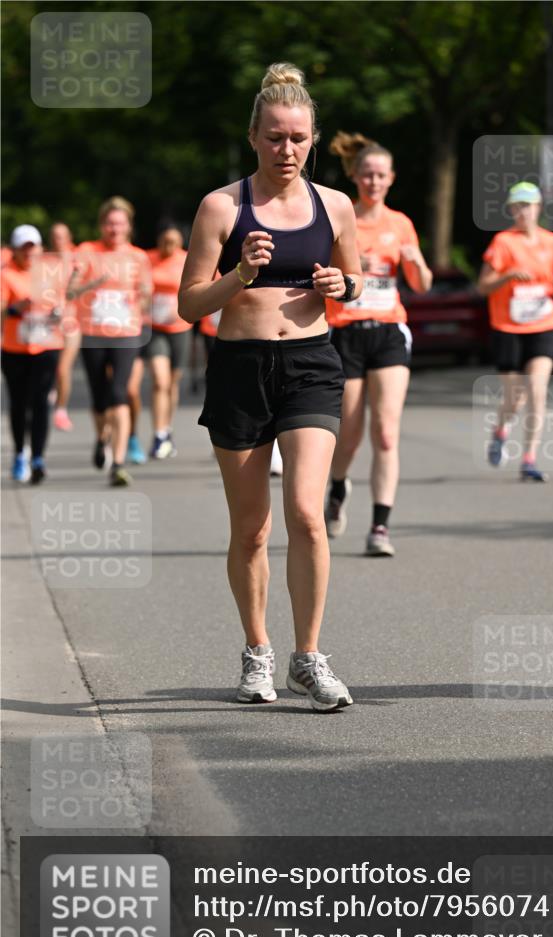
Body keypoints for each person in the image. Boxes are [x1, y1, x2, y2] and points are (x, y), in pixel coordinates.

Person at [178, 62, 362, 711]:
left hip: (311, 366)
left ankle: (308, 658)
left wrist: (345, 288)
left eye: (299, 138)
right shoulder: (222, 207)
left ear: (313, 140)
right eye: (276, 137)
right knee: (251, 529)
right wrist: (240, 274)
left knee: (307, 516)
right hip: (240, 369)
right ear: (254, 135)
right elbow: (189, 305)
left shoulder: (335, 205)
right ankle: (256, 653)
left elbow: (354, 279)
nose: (287, 149)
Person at [324, 132, 433, 556]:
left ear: (391, 180)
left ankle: (380, 527)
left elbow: (422, 285)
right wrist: (354, 270)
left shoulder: (401, 223)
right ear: (356, 176)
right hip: (347, 332)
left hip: (388, 331)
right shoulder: (340, 218)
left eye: (381, 176)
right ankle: (337, 486)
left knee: (386, 433)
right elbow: (322, 281)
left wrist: (415, 261)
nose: (373, 182)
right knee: (348, 435)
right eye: (367, 174)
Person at [477, 181, 553, 482]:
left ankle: (529, 459)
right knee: (515, 397)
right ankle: (501, 430)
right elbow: (482, 286)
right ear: (511, 210)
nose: (522, 212)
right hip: (508, 327)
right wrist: (507, 276)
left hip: (543, 324)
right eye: (517, 207)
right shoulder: (503, 242)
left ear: (538, 208)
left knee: (537, 391)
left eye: (527, 206)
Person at [67, 197, 152, 487]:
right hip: (92, 333)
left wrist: (139, 297)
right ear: (102, 225)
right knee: (100, 398)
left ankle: (117, 462)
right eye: (109, 223)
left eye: (120, 223)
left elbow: (146, 294)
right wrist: (94, 283)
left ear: (128, 225)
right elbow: (70, 291)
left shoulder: (138, 257)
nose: (114, 228)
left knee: (119, 393)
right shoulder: (87, 251)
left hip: (126, 334)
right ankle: (101, 436)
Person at [1, 225, 64, 483]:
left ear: (40, 248)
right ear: (14, 249)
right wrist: (17, 307)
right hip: (15, 348)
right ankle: (20, 453)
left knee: (40, 402)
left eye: (33, 247)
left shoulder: (51, 272)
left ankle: (38, 457)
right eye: (24, 248)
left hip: (47, 345)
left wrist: (57, 312)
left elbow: (62, 304)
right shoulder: (6, 275)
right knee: (19, 403)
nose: (29, 253)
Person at [127, 226, 191, 461]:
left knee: (172, 384)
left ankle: (166, 428)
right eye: (165, 240)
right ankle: (158, 434)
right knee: (160, 380)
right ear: (159, 239)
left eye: (173, 241)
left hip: (180, 328)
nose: (169, 246)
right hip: (154, 329)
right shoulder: (148, 259)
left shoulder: (186, 260)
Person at [49, 222, 79, 432]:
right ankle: (51, 392)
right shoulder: (43, 261)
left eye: (61, 236)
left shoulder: (78, 260)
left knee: (63, 368)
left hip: (71, 322)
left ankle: (61, 410)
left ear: (69, 237)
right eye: (54, 236)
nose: (57, 240)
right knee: (49, 367)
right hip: (48, 324)